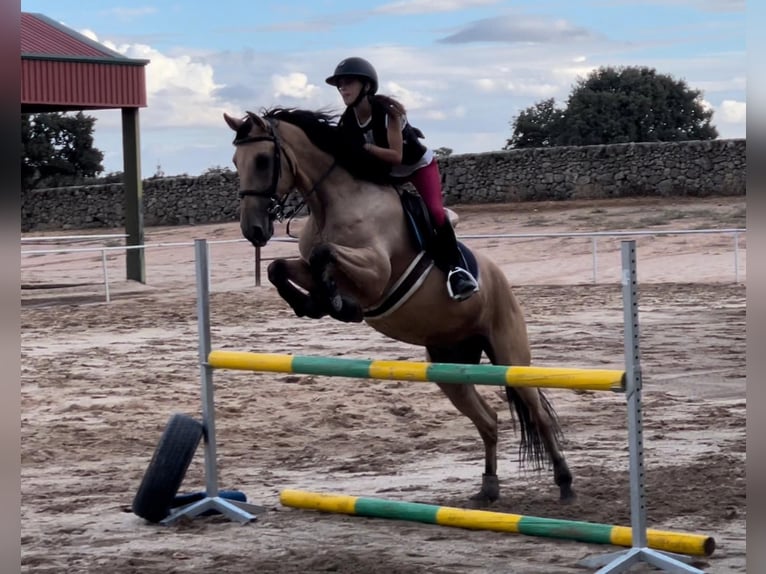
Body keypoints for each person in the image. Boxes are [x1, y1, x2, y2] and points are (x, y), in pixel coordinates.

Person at [325, 56, 479, 302]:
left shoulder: (388, 113)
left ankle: (457, 271)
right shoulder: (347, 121)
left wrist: (364, 147)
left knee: (435, 213)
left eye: (348, 82)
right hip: (385, 173)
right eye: (340, 84)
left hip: (416, 166)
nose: (343, 88)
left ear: (366, 85)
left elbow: (396, 156)